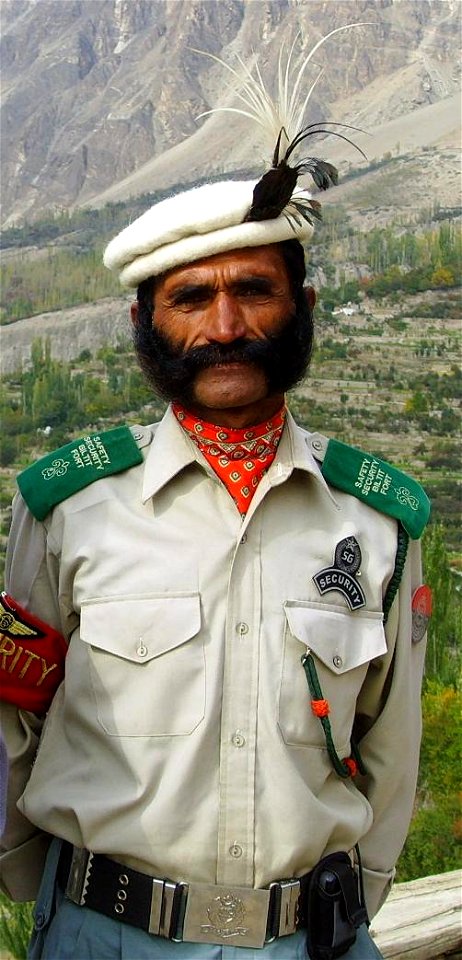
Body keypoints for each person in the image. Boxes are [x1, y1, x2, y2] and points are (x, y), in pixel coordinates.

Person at [0, 40, 430, 960]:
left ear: (301, 303)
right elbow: (17, 717)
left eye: (253, 292)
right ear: (143, 322)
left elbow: (392, 743)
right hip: (98, 938)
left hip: (313, 941)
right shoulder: (66, 506)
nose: (224, 326)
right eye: (191, 298)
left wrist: (357, 898)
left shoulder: (380, 518)